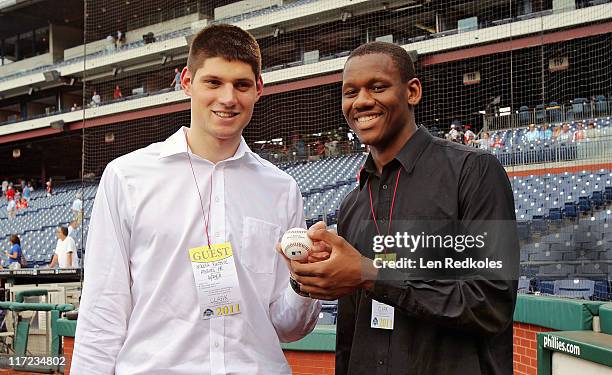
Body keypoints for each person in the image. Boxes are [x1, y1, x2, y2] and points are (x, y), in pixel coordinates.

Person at [71, 24, 321, 375]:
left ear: (259, 89)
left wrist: (304, 283)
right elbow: (103, 311)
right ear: (187, 82)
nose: (228, 98)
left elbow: (288, 328)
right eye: (214, 82)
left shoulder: (281, 189)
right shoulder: (127, 177)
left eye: (242, 84)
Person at [284, 41, 518, 375]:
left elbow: (491, 303)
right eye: (350, 92)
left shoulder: (473, 171)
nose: (362, 101)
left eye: (377, 87)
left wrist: (371, 274)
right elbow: (349, 329)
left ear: (412, 91)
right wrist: (311, 276)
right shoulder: (353, 204)